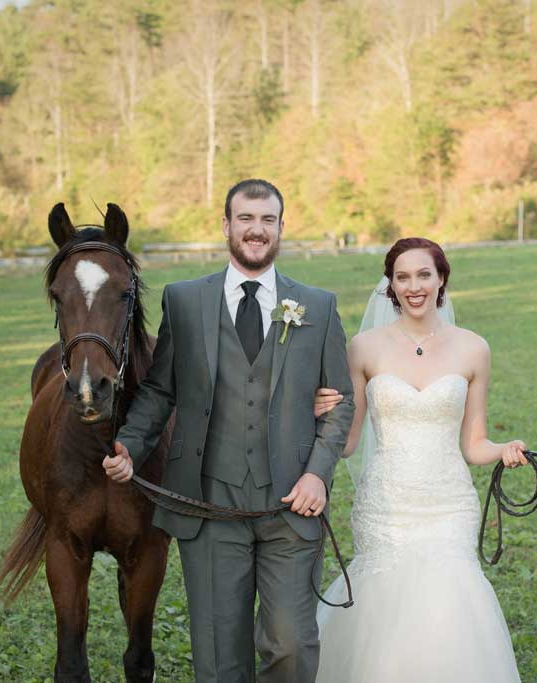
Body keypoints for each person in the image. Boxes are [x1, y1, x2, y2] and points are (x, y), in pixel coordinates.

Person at [102, 179, 355, 683]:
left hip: (289, 506)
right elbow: (159, 392)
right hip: (208, 505)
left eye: (267, 220)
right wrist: (129, 445)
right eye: (245, 219)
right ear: (226, 226)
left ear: (281, 228)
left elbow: (338, 406)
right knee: (219, 657)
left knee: (291, 645)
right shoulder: (184, 301)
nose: (256, 230)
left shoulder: (318, 307)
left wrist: (318, 476)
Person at [311, 237, 526, 682]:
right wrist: (317, 415)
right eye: (402, 277)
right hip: (386, 506)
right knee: (386, 616)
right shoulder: (364, 348)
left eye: (424, 275)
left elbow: (474, 444)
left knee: (449, 610)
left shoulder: (473, 349)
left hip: (449, 505)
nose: (414, 286)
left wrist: (503, 451)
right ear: (390, 284)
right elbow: (349, 443)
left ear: (441, 278)